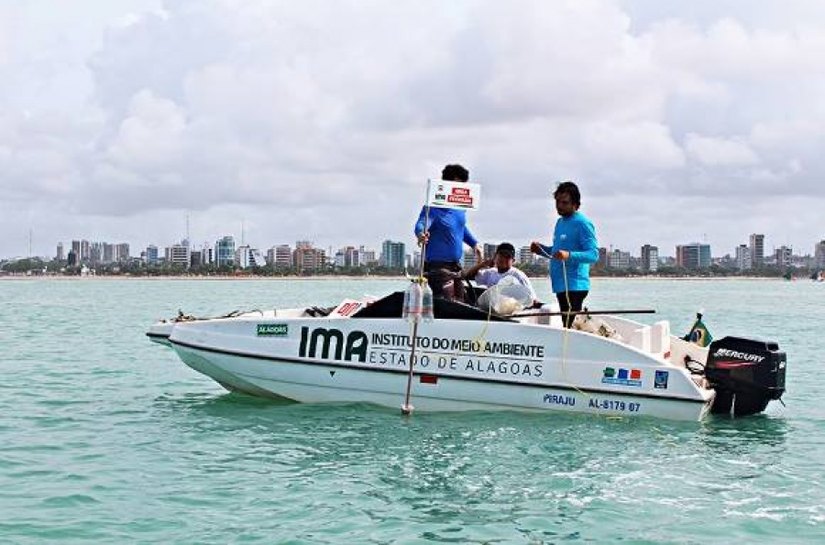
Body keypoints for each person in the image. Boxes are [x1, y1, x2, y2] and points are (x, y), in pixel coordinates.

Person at [530, 181, 598, 327]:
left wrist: (569, 255)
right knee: (567, 325)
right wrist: (541, 249)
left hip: (575, 285)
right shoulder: (560, 222)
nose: (559, 206)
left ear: (576, 205)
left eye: (565, 202)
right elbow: (556, 253)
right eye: (557, 202)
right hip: (560, 284)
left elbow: (593, 254)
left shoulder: (583, 223)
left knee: (570, 327)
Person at [414, 164, 483, 300]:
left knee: (462, 302)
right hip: (438, 269)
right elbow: (422, 223)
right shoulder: (433, 208)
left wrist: (474, 244)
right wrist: (421, 234)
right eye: (457, 184)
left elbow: (460, 228)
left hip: (455, 268)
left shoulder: (460, 209)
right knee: (448, 304)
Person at [464, 242, 537, 303]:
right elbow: (468, 276)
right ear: (495, 257)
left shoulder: (518, 275)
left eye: (507, 257)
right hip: (492, 309)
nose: (503, 259)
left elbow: (532, 299)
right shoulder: (490, 273)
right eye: (501, 255)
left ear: (513, 261)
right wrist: (482, 264)